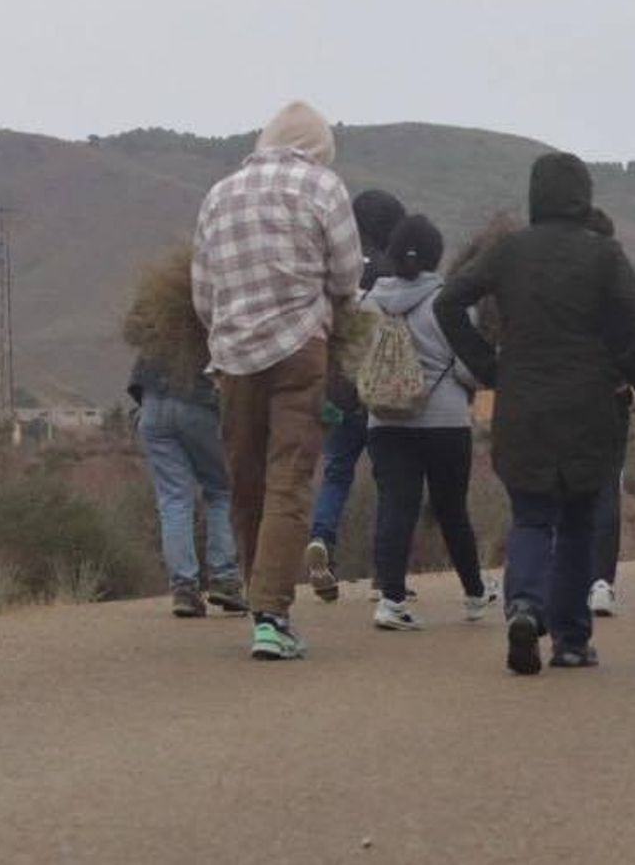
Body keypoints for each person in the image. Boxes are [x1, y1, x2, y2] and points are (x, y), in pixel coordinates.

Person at [436, 152, 635, 675]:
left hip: (522, 402)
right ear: (583, 194)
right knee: (576, 524)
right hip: (590, 405)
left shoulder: (509, 252)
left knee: (531, 515)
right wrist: (621, 366)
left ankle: (523, 605)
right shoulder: (602, 255)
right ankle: (571, 640)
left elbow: (448, 301)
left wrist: (487, 365)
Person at [191, 100, 363, 660]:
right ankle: (272, 614)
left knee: (245, 483)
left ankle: (253, 592)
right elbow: (345, 273)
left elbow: (201, 293)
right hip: (299, 350)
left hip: (234, 358)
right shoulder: (323, 186)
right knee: (288, 481)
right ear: (318, 147)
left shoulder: (219, 194)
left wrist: (228, 329)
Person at [362, 215, 501, 630]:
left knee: (394, 506)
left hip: (384, 420)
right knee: (451, 509)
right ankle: (475, 593)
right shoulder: (449, 301)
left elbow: (356, 359)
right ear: (435, 254)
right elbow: (468, 370)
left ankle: (390, 599)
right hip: (443, 421)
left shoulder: (369, 301)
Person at [304, 189, 407, 604]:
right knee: (389, 482)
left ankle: (322, 540)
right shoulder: (393, 271)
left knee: (336, 473)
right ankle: (385, 575)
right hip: (381, 393)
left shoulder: (337, 270)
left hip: (339, 390)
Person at [128, 356, 245, 618]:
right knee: (221, 491)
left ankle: (184, 589)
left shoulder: (160, 322)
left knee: (174, 499)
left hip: (152, 402)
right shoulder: (215, 316)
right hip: (199, 402)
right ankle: (224, 578)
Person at [582, 208, 631, 617]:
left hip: (558, 398)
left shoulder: (553, 281)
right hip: (610, 399)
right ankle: (601, 582)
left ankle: (560, 576)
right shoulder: (620, 286)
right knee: (604, 488)